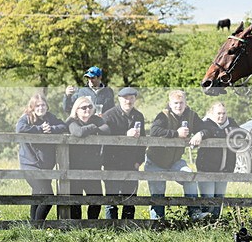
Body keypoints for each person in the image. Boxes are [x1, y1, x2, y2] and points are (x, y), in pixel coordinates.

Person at [145, 90, 205, 220]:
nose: (179, 106)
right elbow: (154, 131)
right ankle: (157, 222)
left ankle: (194, 213)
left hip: (175, 161)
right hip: (156, 161)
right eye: (176, 103)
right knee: (158, 193)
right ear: (170, 104)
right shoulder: (163, 115)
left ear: (185, 103)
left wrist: (200, 134)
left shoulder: (191, 115)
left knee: (189, 176)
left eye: (181, 103)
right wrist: (176, 134)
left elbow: (205, 127)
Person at [16, 93, 68, 221]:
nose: (41, 108)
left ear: (47, 106)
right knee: (48, 196)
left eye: (43, 105)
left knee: (37, 194)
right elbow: (19, 129)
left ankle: (33, 224)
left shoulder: (50, 117)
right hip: (30, 165)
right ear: (32, 107)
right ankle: (38, 226)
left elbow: (64, 126)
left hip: (46, 166)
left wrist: (51, 128)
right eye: (37, 105)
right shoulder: (26, 118)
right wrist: (39, 129)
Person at [101, 87, 146, 220]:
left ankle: (128, 225)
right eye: (125, 98)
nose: (128, 101)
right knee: (111, 199)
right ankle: (111, 226)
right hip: (112, 161)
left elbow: (143, 141)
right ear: (119, 99)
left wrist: (139, 160)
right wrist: (125, 135)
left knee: (130, 198)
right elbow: (104, 137)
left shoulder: (138, 116)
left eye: (131, 98)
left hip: (131, 162)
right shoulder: (108, 115)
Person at [190, 102, 241, 218]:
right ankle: (205, 224)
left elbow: (240, 132)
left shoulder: (231, 122)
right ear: (212, 113)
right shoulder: (205, 123)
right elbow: (207, 130)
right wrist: (202, 133)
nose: (221, 116)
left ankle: (216, 224)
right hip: (207, 169)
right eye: (218, 113)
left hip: (225, 169)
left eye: (223, 113)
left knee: (219, 199)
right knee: (208, 199)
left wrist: (217, 133)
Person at [66, 96, 110, 219]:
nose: (87, 109)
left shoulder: (96, 119)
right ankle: (77, 227)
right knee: (75, 200)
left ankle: (92, 224)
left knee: (96, 199)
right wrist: (93, 128)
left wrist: (91, 128)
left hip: (93, 166)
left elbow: (107, 130)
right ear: (76, 110)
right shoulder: (71, 121)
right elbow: (78, 132)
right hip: (75, 167)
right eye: (84, 107)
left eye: (90, 106)